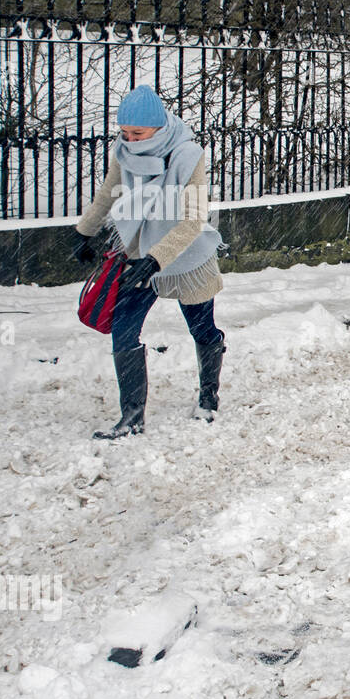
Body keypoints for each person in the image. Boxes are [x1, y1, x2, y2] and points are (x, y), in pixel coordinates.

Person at [71, 85, 226, 439]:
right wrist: (84, 231)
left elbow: (193, 219)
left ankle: (208, 396)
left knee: (201, 329)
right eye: (124, 132)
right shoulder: (124, 151)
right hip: (140, 252)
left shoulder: (187, 154)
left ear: (158, 128)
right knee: (124, 328)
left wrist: (157, 260)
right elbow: (107, 193)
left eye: (137, 133)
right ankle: (132, 417)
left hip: (187, 256)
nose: (130, 139)